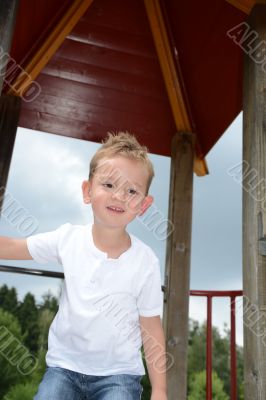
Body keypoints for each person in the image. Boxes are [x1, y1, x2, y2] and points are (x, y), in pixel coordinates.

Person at [0, 132, 168, 400]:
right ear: (87, 191)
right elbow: (13, 247)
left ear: (143, 205)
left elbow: (152, 328)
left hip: (119, 375)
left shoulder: (146, 262)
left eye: (132, 191)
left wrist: (160, 390)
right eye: (109, 185)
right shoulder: (68, 239)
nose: (119, 196)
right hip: (63, 369)